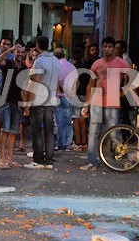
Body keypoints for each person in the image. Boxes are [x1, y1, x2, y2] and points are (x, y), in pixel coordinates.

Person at [80, 36, 130, 170]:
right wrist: (86, 104)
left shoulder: (121, 63)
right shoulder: (96, 64)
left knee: (114, 133)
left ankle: (125, 159)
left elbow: (131, 79)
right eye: (105, 46)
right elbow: (90, 85)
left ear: (114, 49)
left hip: (112, 103)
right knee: (93, 133)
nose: (107, 49)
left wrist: (123, 92)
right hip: (96, 102)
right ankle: (92, 162)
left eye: (109, 47)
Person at [24, 36, 61, 169]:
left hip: (39, 101)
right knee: (49, 132)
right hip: (51, 101)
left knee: (37, 131)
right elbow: (57, 82)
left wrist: (28, 104)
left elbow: (35, 82)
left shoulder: (39, 62)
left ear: (38, 46)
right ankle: (49, 160)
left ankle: (38, 160)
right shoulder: (56, 61)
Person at [0, 43, 26, 169]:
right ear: (14, 52)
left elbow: (25, 87)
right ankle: (2, 158)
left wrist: (26, 105)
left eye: (22, 52)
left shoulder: (24, 68)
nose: (20, 54)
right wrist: (9, 49)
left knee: (14, 132)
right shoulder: (8, 63)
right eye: (18, 52)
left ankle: (10, 159)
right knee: (5, 130)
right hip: (6, 101)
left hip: (18, 103)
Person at [54, 47, 76, 151]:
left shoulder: (56, 66)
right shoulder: (72, 66)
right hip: (69, 97)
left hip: (59, 96)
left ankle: (61, 144)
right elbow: (77, 81)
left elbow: (56, 81)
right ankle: (68, 143)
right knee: (68, 121)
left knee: (60, 122)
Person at [71, 48, 88, 150]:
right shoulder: (86, 68)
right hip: (85, 95)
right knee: (83, 118)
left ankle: (78, 142)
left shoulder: (72, 68)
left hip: (76, 95)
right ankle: (85, 141)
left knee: (76, 118)